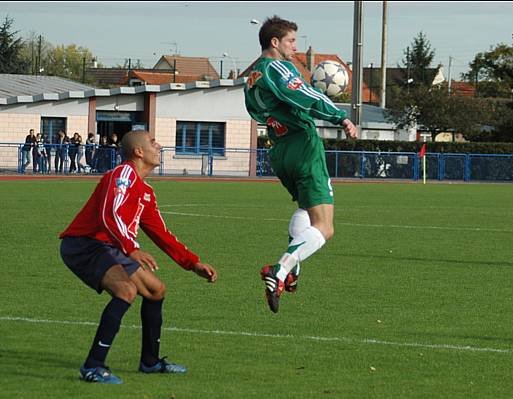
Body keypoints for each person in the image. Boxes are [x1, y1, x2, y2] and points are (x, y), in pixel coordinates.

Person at [59, 130, 218, 384]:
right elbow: (110, 213)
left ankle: (150, 362)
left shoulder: (144, 190)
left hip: (111, 246)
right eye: (153, 142)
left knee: (156, 290)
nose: (160, 145)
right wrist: (130, 247)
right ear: (138, 151)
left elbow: (160, 233)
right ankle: (93, 366)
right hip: (84, 244)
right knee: (126, 291)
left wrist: (192, 262)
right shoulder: (122, 175)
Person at [243, 16, 357, 313]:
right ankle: (280, 270)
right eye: (292, 40)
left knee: (307, 211)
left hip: (279, 149)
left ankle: (292, 270)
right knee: (325, 227)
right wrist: (340, 116)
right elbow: (304, 94)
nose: (295, 46)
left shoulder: (252, 77)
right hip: (302, 145)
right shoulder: (276, 67)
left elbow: (256, 113)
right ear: (275, 42)